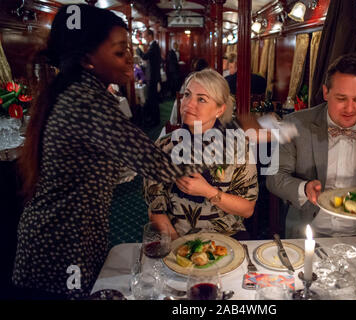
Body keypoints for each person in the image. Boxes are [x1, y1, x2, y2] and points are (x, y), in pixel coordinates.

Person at [11, 4, 215, 300]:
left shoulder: (76, 90)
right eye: (120, 52)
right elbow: (161, 166)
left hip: (71, 231)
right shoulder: (87, 101)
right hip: (60, 243)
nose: (130, 59)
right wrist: (231, 142)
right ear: (87, 59)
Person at [266, 54, 356, 238]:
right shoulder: (293, 124)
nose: (349, 109)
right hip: (309, 231)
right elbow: (274, 178)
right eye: (341, 98)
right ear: (326, 92)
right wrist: (305, 188)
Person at [144, 69, 258, 240]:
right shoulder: (162, 147)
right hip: (177, 238)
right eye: (187, 95)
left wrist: (208, 191)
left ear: (219, 109)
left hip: (228, 238)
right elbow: (156, 211)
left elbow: (247, 209)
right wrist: (179, 249)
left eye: (201, 99)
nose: (189, 104)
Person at [136, 28, 161, 127]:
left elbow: (145, 57)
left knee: (153, 99)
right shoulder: (153, 46)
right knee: (152, 99)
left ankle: (155, 120)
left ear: (150, 36)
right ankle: (154, 119)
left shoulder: (154, 46)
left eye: (145, 36)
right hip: (152, 76)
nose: (144, 38)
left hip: (153, 77)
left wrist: (138, 50)